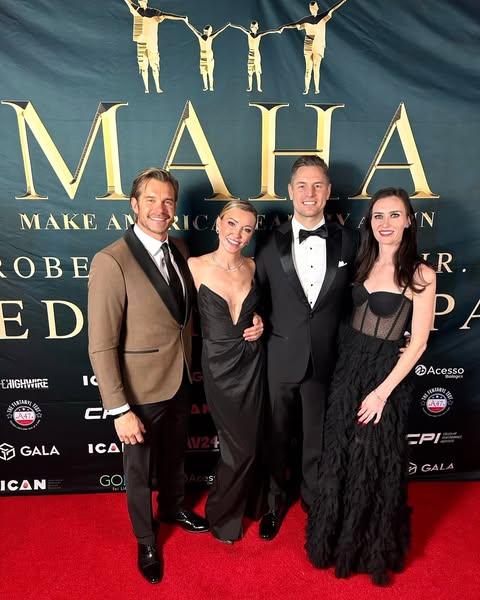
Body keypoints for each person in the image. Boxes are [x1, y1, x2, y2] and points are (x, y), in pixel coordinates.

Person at [306, 188, 436, 586]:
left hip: (384, 378)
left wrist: (382, 392)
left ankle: (363, 549)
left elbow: (418, 343)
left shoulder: (420, 274)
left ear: (409, 221)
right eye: (379, 216)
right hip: (346, 370)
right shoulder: (359, 263)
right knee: (338, 455)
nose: (385, 223)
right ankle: (330, 541)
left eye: (395, 215)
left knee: (370, 462)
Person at [88, 168, 210, 584]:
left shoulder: (180, 248)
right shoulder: (111, 261)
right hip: (138, 392)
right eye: (152, 200)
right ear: (134, 205)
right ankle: (146, 539)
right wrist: (119, 409)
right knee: (139, 471)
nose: (161, 208)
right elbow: (101, 344)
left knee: (175, 456)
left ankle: (173, 507)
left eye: (168, 200)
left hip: (180, 378)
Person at [255, 155, 359, 541]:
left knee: (317, 438)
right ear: (290, 191)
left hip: (326, 358)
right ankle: (273, 503)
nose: (309, 193)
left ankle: (315, 503)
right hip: (279, 357)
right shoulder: (268, 241)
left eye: (317, 185)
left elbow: (362, 297)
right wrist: (254, 320)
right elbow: (255, 294)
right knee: (276, 437)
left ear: (328, 191)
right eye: (302, 185)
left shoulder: (351, 240)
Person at [188, 200, 265, 544]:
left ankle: (250, 503)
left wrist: (261, 322)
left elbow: (263, 309)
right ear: (218, 223)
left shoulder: (253, 266)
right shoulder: (195, 266)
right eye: (232, 224)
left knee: (253, 442)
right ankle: (222, 515)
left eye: (247, 229)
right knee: (238, 447)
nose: (238, 234)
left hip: (252, 362)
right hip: (218, 365)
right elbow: (176, 316)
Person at [122, 0, 188, 93]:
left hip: (152, 44)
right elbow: (129, 2)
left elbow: (166, 15)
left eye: (143, 0)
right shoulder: (137, 10)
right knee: (143, 68)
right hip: (141, 43)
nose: (141, 2)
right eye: (140, 0)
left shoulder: (154, 12)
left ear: (146, 1)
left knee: (155, 67)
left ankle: (157, 87)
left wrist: (181, 18)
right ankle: (146, 88)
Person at [283, 0, 348, 94]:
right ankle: (306, 88)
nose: (312, 9)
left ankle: (317, 88)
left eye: (314, 7)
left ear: (317, 8)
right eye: (311, 8)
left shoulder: (322, 17)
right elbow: (294, 24)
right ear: (309, 9)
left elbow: (333, 8)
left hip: (319, 44)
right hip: (308, 43)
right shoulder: (305, 20)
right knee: (308, 68)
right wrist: (283, 27)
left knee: (316, 67)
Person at [230, 21, 284, 92]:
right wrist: (231, 25)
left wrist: (277, 31)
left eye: (255, 27)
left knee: (257, 72)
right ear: (250, 27)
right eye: (252, 27)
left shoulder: (259, 34)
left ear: (257, 27)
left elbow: (269, 31)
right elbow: (240, 27)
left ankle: (259, 87)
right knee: (250, 72)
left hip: (257, 55)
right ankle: (250, 87)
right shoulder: (249, 33)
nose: (253, 28)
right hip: (251, 54)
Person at [185, 22, 230, 91]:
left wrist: (226, 25)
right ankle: (206, 86)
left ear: (210, 32)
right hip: (202, 59)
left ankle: (211, 86)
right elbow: (193, 29)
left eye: (207, 32)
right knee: (204, 74)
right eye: (204, 31)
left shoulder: (211, 37)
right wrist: (187, 22)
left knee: (210, 74)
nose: (205, 33)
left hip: (209, 59)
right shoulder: (200, 36)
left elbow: (219, 30)